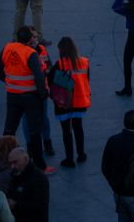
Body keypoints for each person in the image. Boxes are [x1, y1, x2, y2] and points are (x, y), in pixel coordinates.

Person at [0, 28, 51, 172]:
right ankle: (39, 165)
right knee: (34, 130)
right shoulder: (31, 53)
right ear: (30, 40)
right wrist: (42, 93)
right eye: (34, 38)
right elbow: (39, 76)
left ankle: (2, 159)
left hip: (12, 95)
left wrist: (8, 81)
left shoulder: (8, 47)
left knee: (9, 129)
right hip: (31, 97)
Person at [48, 37, 91, 168]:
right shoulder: (84, 62)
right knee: (78, 128)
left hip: (64, 103)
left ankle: (69, 158)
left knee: (66, 131)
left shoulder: (59, 64)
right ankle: (81, 154)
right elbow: (87, 79)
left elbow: (51, 82)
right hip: (80, 101)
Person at [5, 148, 49, 222]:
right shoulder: (15, 174)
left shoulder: (39, 178)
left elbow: (40, 204)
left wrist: (16, 204)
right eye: (10, 163)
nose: (12, 166)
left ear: (25, 159)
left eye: (15, 162)